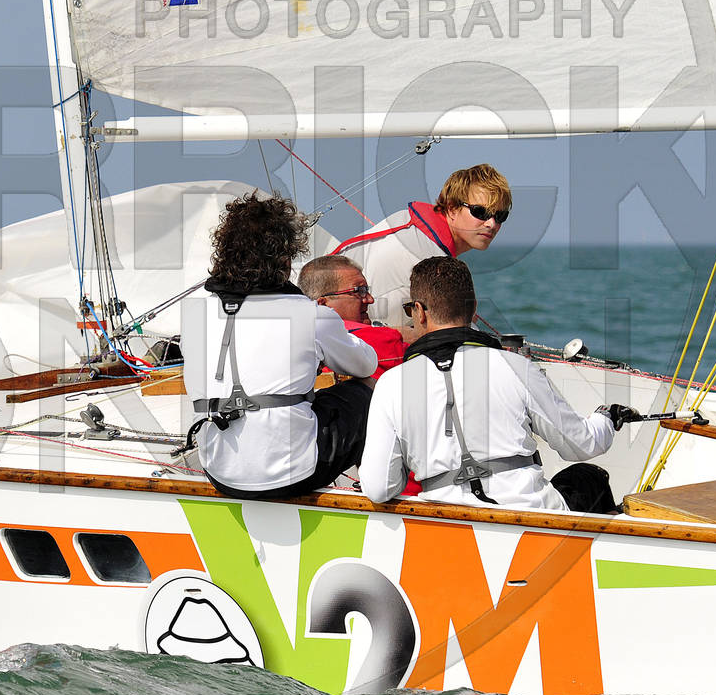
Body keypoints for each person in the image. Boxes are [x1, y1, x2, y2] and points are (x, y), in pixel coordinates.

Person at [359, 257, 640, 511]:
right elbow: (582, 445)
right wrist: (606, 418)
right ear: (473, 309)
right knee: (588, 478)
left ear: (419, 311)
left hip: (446, 521)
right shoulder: (516, 367)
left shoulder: (391, 384)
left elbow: (378, 488)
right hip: (530, 515)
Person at [185, 193, 378, 500]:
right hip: (292, 475)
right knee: (367, 390)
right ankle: (376, 488)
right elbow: (366, 364)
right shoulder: (310, 314)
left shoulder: (194, 314)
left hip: (220, 473)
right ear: (285, 260)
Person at [333, 163, 512, 328]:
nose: (492, 224)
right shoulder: (433, 262)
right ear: (452, 209)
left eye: (500, 216)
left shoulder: (408, 222)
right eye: (480, 212)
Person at [297, 254, 405, 376]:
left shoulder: (293, 344)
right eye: (359, 291)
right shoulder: (383, 340)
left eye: (366, 290)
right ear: (323, 305)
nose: (370, 300)